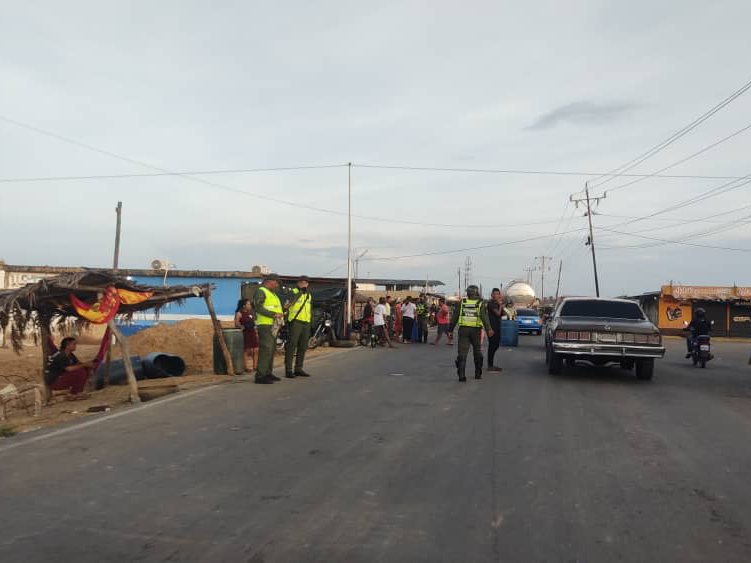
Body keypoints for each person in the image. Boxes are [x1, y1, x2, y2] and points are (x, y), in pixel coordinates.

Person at [449, 285, 493, 382]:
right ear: (477, 293)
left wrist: (450, 330)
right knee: (477, 352)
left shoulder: (462, 302)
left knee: (462, 353)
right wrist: (489, 329)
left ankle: (461, 375)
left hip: (463, 330)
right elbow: (484, 317)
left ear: (468, 293)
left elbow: (454, 317)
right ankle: (478, 373)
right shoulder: (480, 303)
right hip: (476, 331)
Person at [252, 273, 284, 384]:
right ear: (269, 281)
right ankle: (260, 376)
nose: (276, 285)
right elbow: (258, 307)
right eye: (276, 283)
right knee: (266, 350)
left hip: (273, 326)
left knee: (271, 351)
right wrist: (273, 314)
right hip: (265, 325)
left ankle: (268, 373)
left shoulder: (273, 294)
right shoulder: (261, 291)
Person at [284, 275, 313, 379]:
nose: (304, 284)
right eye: (302, 282)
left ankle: (298, 369)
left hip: (306, 322)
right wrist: (300, 293)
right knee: (292, 346)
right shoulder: (293, 292)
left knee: (303, 346)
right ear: (298, 283)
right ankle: (288, 370)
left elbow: (309, 309)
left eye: (306, 282)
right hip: (295, 321)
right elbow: (287, 305)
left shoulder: (309, 294)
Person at [234, 298, 258, 373]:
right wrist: (241, 326)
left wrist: (256, 330)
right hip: (245, 333)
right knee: (247, 350)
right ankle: (246, 367)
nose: (250, 305)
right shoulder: (239, 313)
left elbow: (254, 322)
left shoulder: (251, 312)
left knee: (256, 349)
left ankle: (255, 366)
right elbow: (236, 324)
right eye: (248, 304)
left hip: (252, 332)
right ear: (244, 306)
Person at [486, 288, 503, 372]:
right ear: (492, 295)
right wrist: (500, 306)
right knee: (492, 345)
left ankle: (491, 364)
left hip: (497, 326)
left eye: (498, 294)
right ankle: (490, 365)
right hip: (492, 327)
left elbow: (502, 314)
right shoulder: (491, 303)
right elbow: (498, 313)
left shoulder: (497, 303)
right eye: (495, 294)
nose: (496, 295)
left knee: (496, 344)